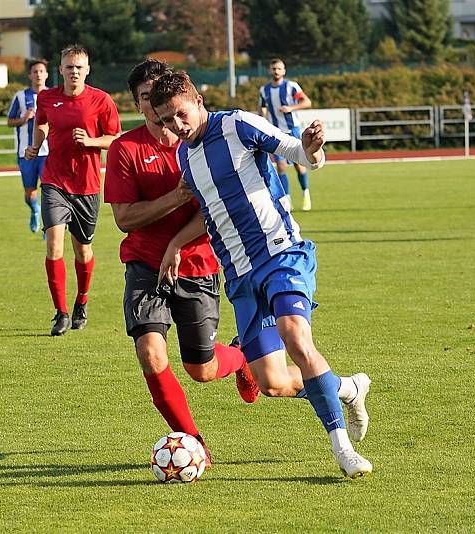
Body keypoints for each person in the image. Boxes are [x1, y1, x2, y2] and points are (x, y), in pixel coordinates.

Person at [150, 71, 373, 478]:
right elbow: (212, 212)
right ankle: (348, 388)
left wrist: (313, 150)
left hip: (281, 254)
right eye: (166, 120)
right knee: (271, 382)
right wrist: (176, 243)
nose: (176, 127)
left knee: (296, 337)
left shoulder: (236, 124)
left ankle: (342, 448)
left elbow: (298, 152)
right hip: (239, 275)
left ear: (198, 100)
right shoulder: (185, 157)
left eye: (180, 115)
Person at [104, 60, 260, 461]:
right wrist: (175, 196)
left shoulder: (200, 144)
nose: (157, 108)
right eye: (146, 98)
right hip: (144, 265)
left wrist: (176, 242)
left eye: (162, 97)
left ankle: (240, 356)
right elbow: (124, 218)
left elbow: (216, 209)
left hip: (198, 264)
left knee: (201, 370)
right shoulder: (126, 148)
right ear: (139, 104)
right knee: (151, 353)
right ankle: (195, 446)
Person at [24, 44, 121, 336]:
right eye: (69, 66)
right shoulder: (47, 98)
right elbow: (41, 123)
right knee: (53, 243)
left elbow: (114, 139)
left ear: (87, 70)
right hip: (54, 180)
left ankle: (81, 301)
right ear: (61, 69)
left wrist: (91, 142)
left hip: (87, 185)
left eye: (79, 67)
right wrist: (35, 144)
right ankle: (61, 313)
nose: (74, 71)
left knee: (82, 250)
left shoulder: (101, 100)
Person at [259, 58, 313, 211]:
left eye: (279, 69)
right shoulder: (264, 90)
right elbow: (261, 108)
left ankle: (305, 194)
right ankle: (286, 200)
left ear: (284, 71)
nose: (276, 71)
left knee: (298, 165)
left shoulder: (291, 87)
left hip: (292, 131)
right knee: (281, 166)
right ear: (270, 70)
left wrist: (291, 108)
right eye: (273, 68)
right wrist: (261, 122)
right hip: (276, 133)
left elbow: (307, 102)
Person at [7, 59, 50, 234]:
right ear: (29, 75)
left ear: (46, 74)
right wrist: (23, 119)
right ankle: (34, 210)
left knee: (50, 192)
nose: (38, 74)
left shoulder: (54, 95)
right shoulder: (20, 96)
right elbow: (10, 121)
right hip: (26, 153)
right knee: (30, 192)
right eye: (35, 71)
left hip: (49, 152)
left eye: (41, 71)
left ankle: (49, 228)